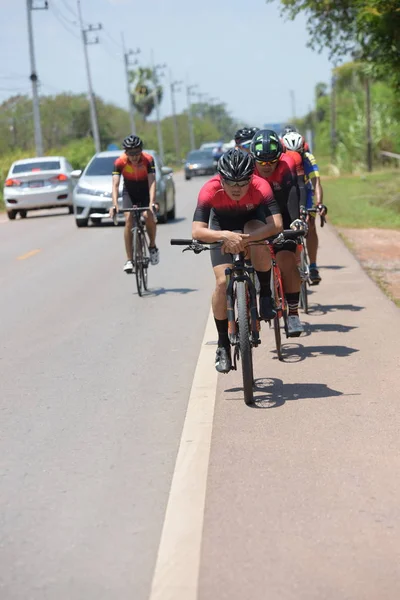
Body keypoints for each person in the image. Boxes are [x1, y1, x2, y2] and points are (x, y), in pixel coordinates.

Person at [192, 148, 283, 373]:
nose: (236, 189)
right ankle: (223, 343)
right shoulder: (209, 190)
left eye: (242, 183)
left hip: (252, 223)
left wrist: (246, 239)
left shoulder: (261, 186)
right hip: (221, 227)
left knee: (259, 238)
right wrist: (225, 236)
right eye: (230, 183)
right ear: (220, 178)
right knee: (222, 283)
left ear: (251, 178)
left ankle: (265, 294)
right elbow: (197, 231)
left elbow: (277, 224)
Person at [250, 129, 307, 336]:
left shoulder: (287, 164)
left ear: (279, 158)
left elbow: (293, 194)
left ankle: (293, 314)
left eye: (271, 162)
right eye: (262, 163)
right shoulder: (248, 167)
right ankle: (247, 305)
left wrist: (295, 221)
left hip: (283, 212)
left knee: (286, 260)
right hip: (257, 214)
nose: (267, 167)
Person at [110, 135, 159, 273]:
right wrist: (114, 205)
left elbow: (152, 182)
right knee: (128, 219)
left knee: (148, 215)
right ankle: (129, 259)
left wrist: (152, 202)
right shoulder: (120, 162)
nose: (134, 157)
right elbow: (115, 185)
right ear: (126, 153)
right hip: (129, 192)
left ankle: (153, 246)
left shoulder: (148, 159)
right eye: (131, 154)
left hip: (145, 190)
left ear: (141, 151)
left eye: (137, 153)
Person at [282, 131, 326, 284]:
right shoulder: (280, 160)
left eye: (298, 152)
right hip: (289, 191)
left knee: (311, 225)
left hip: (305, 192)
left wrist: (319, 204)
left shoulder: (308, 158)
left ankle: (313, 266)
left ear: (303, 149)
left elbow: (316, 183)